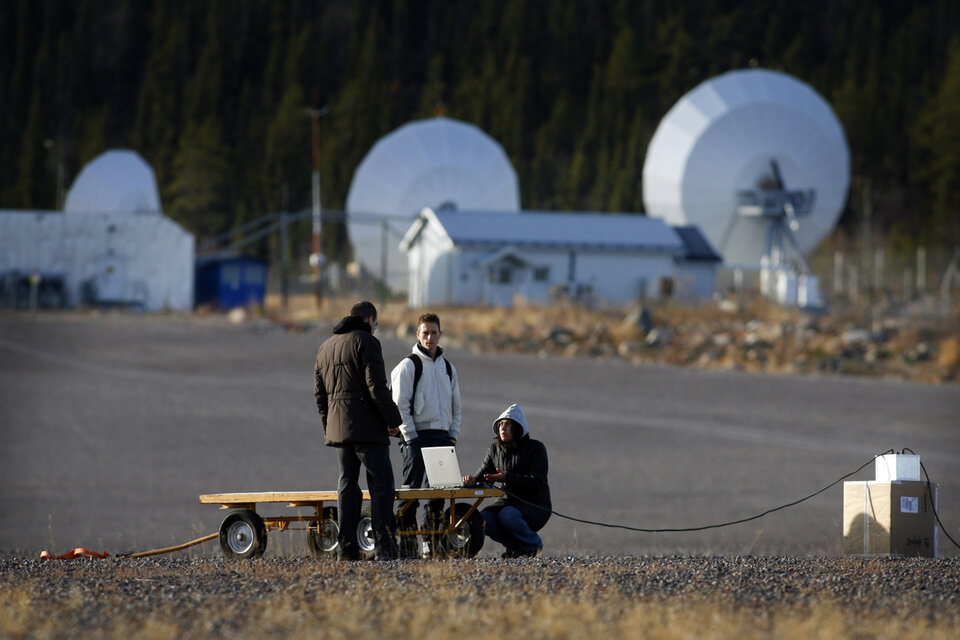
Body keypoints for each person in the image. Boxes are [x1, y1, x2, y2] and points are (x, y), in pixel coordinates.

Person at [314, 300, 403, 560]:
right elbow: (376, 387)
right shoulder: (367, 342)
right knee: (382, 485)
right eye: (376, 323)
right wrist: (393, 421)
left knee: (347, 485)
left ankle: (346, 549)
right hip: (368, 429)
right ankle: (385, 547)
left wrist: (328, 427)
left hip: (339, 430)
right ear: (370, 319)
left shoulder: (325, 347)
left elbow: (319, 396)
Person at [390, 312, 462, 556]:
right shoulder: (408, 366)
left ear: (441, 334)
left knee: (439, 494)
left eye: (434, 332)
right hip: (416, 437)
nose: (430, 337)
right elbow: (400, 405)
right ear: (418, 334)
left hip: (442, 438)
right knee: (411, 493)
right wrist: (410, 437)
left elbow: (456, 407)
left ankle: (430, 542)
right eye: (425, 332)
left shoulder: (449, 368)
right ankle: (406, 544)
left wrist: (452, 436)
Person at [462, 403, 551, 558]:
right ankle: (516, 548)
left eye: (508, 424)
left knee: (507, 516)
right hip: (507, 503)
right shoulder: (495, 450)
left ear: (518, 428)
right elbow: (484, 476)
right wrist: (473, 480)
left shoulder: (536, 448)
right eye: (500, 424)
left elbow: (537, 482)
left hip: (535, 504)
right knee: (481, 521)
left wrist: (507, 477)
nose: (502, 428)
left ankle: (532, 545)